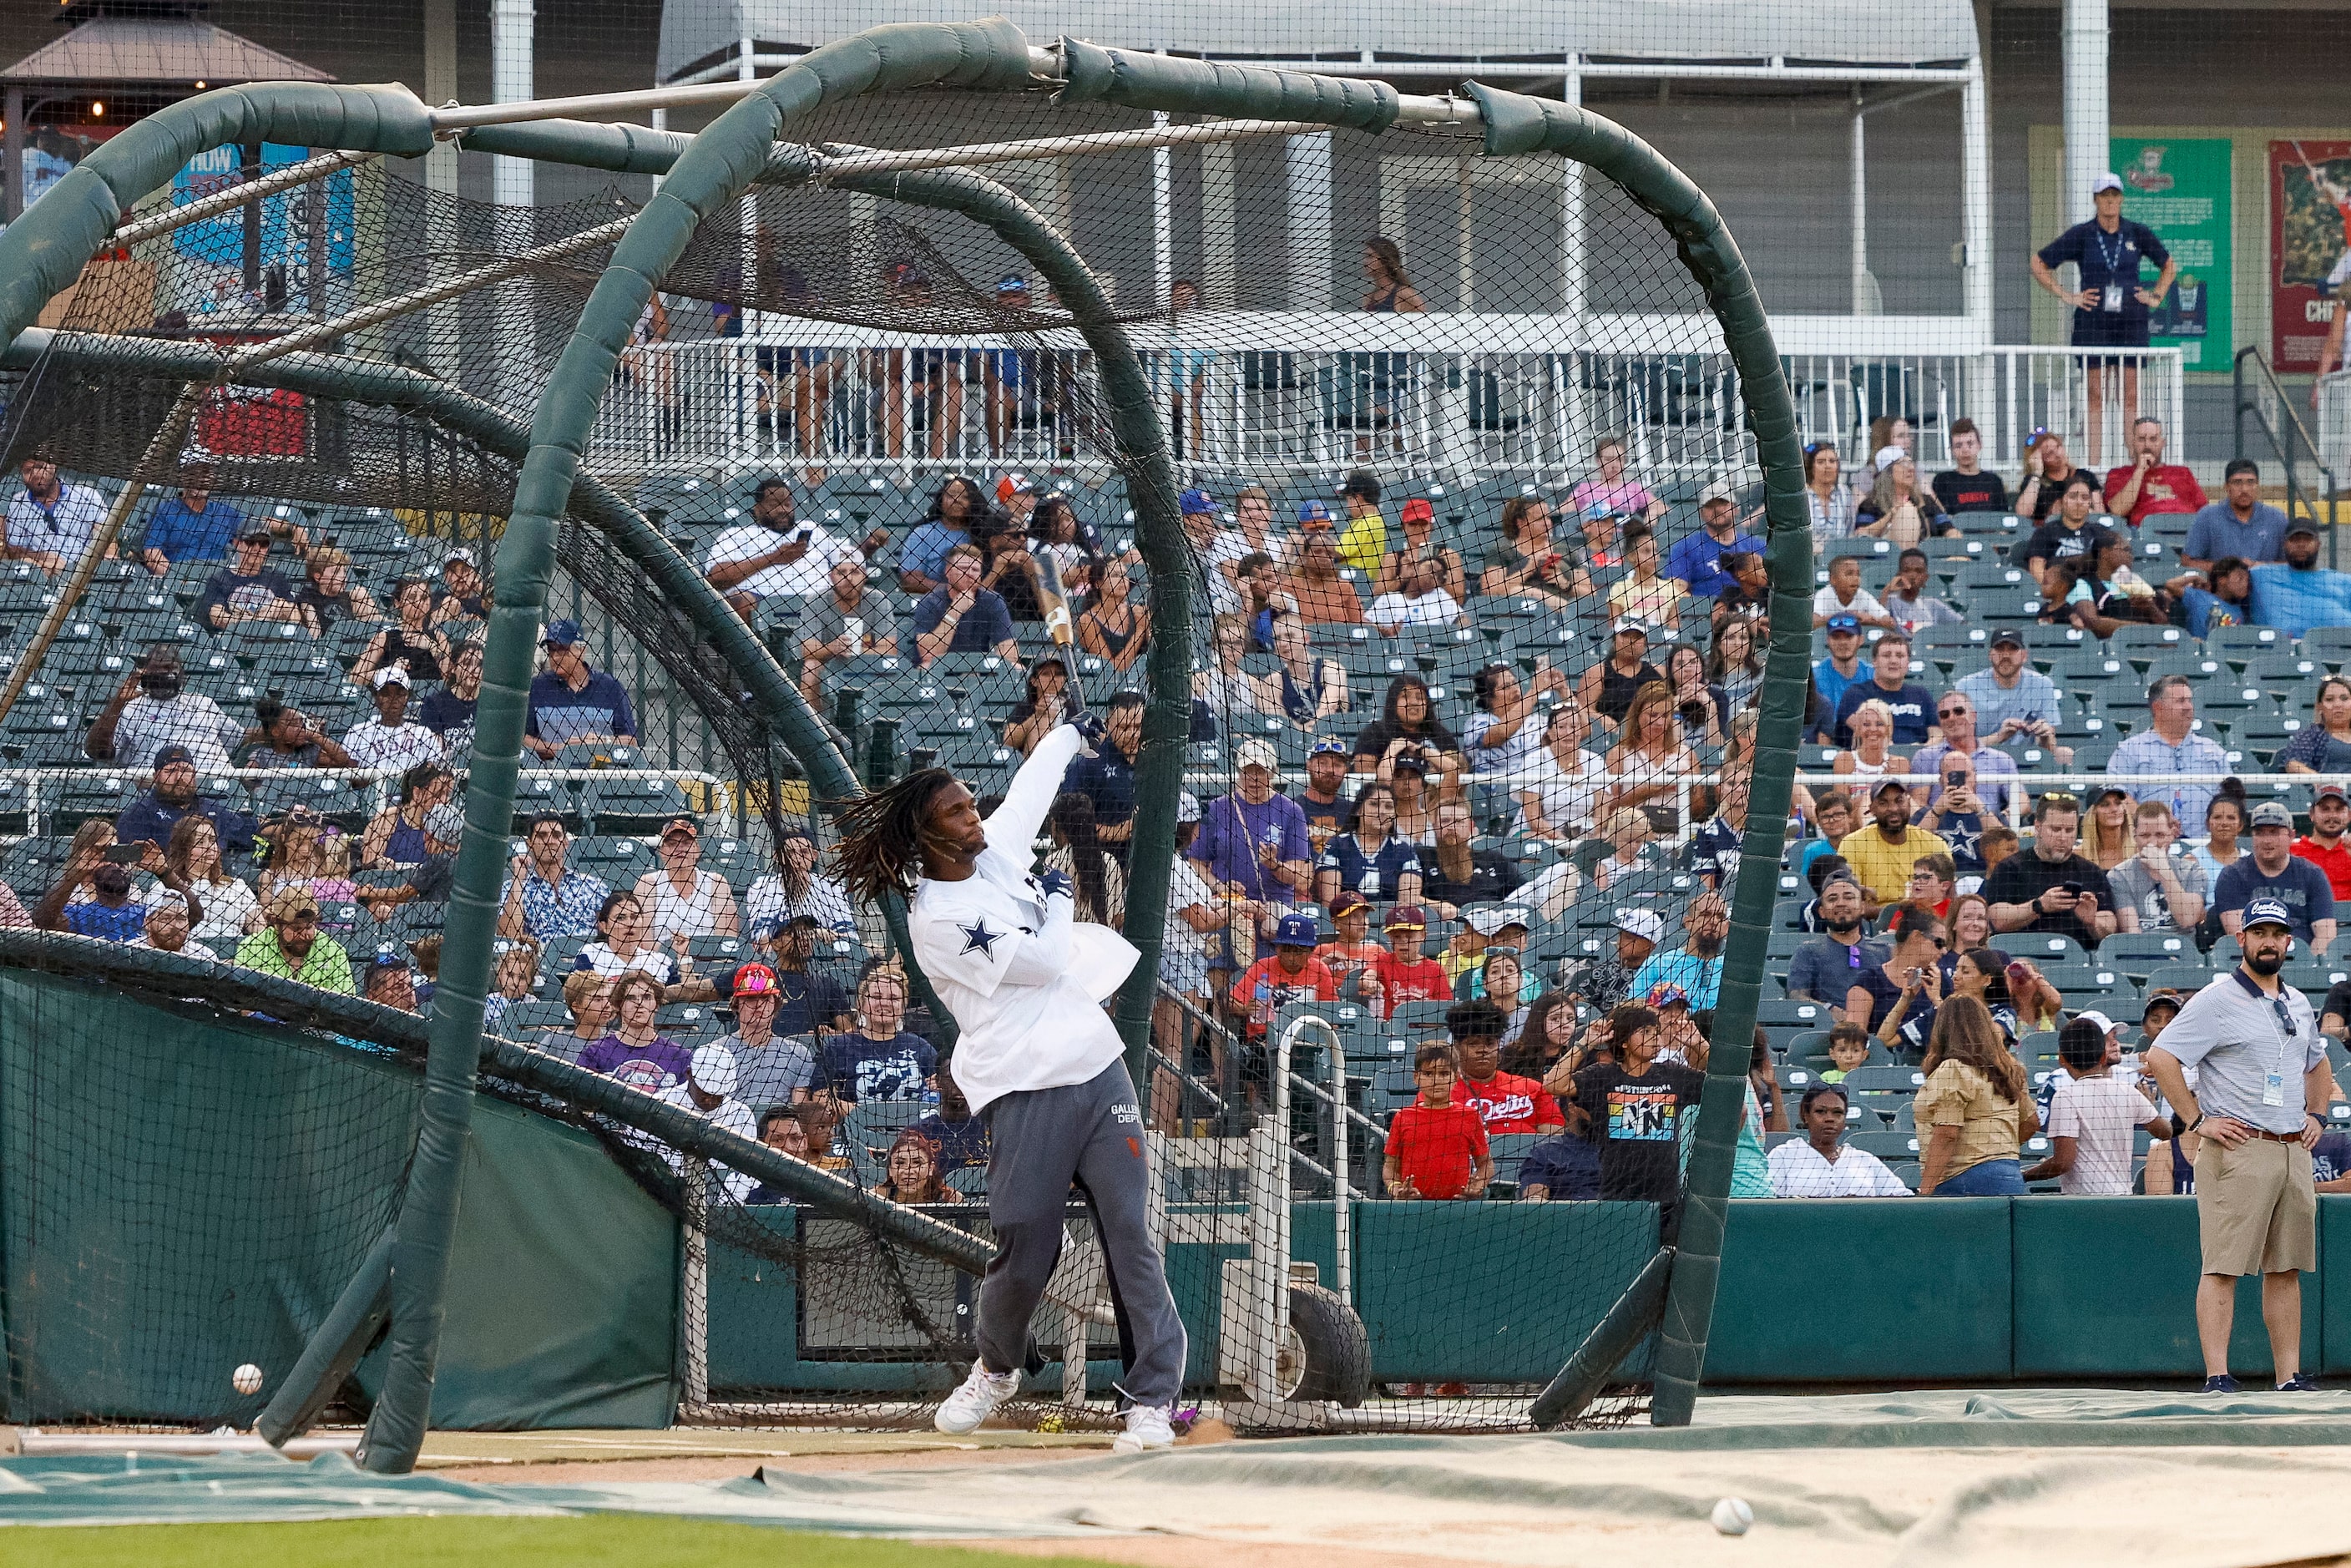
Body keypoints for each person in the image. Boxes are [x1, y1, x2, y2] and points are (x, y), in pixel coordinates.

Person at [833, 716, 1184, 1450]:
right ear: (928, 836)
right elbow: (1048, 960)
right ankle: (996, 1366)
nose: (975, 817)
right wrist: (1056, 898)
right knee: (1027, 1241)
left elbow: (1028, 794)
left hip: (1097, 1067)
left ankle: (1150, 1399)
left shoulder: (991, 856)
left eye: (969, 804)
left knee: (1131, 1232)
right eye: (958, 811)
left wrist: (1067, 735)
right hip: (1024, 1087)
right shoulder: (939, 920)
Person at [2143, 898, 2332, 1393]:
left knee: (2286, 1267)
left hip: (2292, 1148)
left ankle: (2288, 1377)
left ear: (2289, 941)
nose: (2268, 941)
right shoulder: (2216, 998)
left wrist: (2317, 1114)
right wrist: (2198, 1119)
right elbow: (2160, 1056)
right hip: (2239, 1147)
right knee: (2223, 1266)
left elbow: (2317, 1062)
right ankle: (2217, 1375)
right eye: (2259, 932)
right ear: (2241, 940)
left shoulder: (2297, 1001)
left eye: (2277, 933)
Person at [2031, 171, 2176, 463]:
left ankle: (2133, 463)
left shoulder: (2137, 232)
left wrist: (2156, 296)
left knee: (2130, 395)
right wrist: (2067, 295)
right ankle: (2094, 465)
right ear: (2096, 200)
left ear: (2122, 199)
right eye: (2104, 196)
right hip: (2093, 321)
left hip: (2131, 322)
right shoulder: (2083, 234)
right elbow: (2039, 262)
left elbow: (2169, 265)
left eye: (2115, 195)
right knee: (2095, 393)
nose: (2110, 201)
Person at [1570, 1002, 1705, 1234]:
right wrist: (1585, 1043)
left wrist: (1699, 1044)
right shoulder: (1602, 1076)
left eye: (1657, 1032)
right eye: (1645, 1032)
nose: (1656, 1039)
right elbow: (1553, 1083)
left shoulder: (1672, 1074)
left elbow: (1726, 1086)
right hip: (1616, 1197)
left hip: (1666, 1199)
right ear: (1623, 1041)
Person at [2024, 1018, 2171, 1196]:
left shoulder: (2065, 1096)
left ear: (2062, 1059)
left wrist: (2024, 1176)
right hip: (2122, 1199)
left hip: (2084, 1204)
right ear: (2103, 1056)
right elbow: (2166, 1132)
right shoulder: (2128, 1092)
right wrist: (2149, 1109)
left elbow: (2062, 1162)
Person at [704, 478, 882, 620]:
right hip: (758, 599)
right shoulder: (736, 535)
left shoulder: (812, 529)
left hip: (819, 601)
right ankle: (756, 660)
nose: (783, 510)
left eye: (787, 504)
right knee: (738, 602)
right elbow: (715, 578)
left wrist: (869, 547)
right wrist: (774, 558)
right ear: (757, 510)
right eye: (774, 505)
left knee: (865, 598)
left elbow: (847, 560)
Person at [1915, 994, 2039, 1196]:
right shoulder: (2009, 1068)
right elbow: (2032, 1122)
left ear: (1943, 1029)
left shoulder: (1952, 1068)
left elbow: (1947, 1133)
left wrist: (1925, 1192)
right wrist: (1996, 1153)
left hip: (1964, 1181)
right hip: (2009, 1177)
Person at [1985, 792, 2119, 953]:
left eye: (2069, 830)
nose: (2063, 837)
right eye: (2055, 829)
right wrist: (2039, 906)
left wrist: (2091, 921)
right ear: (2038, 827)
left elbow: (2110, 926)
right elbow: (1997, 918)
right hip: (2023, 958)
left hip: (2077, 960)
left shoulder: (2090, 871)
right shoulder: (2010, 867)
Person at [2108, 675, 2233, 834]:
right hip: (2149, 844)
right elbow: (2119, 798)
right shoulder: (2130, 751)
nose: (2189, 707)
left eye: (2189, 700)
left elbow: (2230, 799)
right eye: (2180, 701)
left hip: (2204, 845)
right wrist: (2155, 824)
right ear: (2158, 708)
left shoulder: (2213, 751)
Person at [86, 645, 241, 771]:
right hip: (155, 792)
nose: (164, 674)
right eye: (156, 668)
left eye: (169, 667)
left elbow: (239, 739)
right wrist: (117, 704)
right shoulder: (131, 709)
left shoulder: (203, 703)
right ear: (144, 673)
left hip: (212, 787)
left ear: (182, 674)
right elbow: (96, 751)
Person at [2214, 802, 2338, 957]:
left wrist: (2308, 966)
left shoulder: (2312, 875)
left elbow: (2325, 935)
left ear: (2292, 836)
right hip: (2255, 962)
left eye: (2274, 832)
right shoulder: (2233, 876)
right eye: (2260, 833)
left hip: (2302, 962)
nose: (2267, 840)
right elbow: (2240, 937)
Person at [1384, 1041, 1492, 1201]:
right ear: (1416, 1077)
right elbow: (1389, 1167)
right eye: (1428, 1074)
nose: (1437, 1080)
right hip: (1412, 1207)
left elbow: (1486, 1163)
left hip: (1458, 1206)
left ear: (1456, 1078)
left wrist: (1478, 1185)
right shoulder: (1403, 1117)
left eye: (1444, 1074)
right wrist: (1396, 1188)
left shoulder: (1469, 1116)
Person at [1767, 1083, 1912, 1197]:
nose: (1830, 1118)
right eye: (1820, 1111)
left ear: (1844, 1120)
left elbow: (1903, 1198)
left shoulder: (1864, 1159)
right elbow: (1769, 1205)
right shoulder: (1784, 1155)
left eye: (1838, 1113)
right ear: (1805, 1116)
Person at [1444, 999, 1565, 1135]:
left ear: (1499, 1046)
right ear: (1457, 1048)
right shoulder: (1441, 1093)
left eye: (1490, 1044)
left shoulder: (1531, 1088)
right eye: (1473, 1044)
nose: (1483, 1050)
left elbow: (1554, 1134)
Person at [821, 967, 937, 1103]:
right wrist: (855, 1112)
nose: (885, 1003)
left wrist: (937, 1088)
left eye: (894, 998)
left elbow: (938, 1090)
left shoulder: (921, 1047)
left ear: (903, 1007)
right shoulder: (838, 1047)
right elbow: (821, 1097)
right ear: (860, 1004)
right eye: (876, 997)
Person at [1847, 901, 1947, 1058]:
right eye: (1939, 943)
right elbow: (1853, 1043)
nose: (1944, 951)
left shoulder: (1942, 982)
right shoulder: (1868, 981)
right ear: (1917, 937)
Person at [524, 620, 637, 757]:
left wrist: (602, 742)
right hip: (554, 772)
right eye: (551, 650)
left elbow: (631, 741)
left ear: (581, 650)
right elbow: (521, 738)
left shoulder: (610, 687)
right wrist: (561, 749)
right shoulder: (537, 687)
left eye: (562, 649)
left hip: (603, 771)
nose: (555, 657)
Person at [1840, 779, 1951, 913]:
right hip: (1874, 926)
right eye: (1883, 803)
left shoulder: (1934, 844)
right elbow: (1848, 899)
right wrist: (1889, 914)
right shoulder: (1853, 844)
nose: (1893, 809)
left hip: (1926, 918)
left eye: (1899, 801)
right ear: (1872, 809)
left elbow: (1948, 895)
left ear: (1909, 804)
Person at [796, 554, 897, 701]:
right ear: (831, 576)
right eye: (841, 572)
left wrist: (856, 645)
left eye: (855, 572)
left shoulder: (878, 599)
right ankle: (814, 722)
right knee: (810, 667)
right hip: (830, 665)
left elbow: (889, 647)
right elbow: (807, 649)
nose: (848, 578)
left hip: (870, 665)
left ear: (864, 576)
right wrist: (833, 647)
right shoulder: (815, 601)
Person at [498, 812, 609, 941]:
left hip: (589, 958)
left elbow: (614, 931)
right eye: (542, 836)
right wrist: (517, 879)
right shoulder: (511, 888)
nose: (549, 841)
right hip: (539, 958)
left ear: (566, 843)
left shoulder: (592, 885)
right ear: (529, 844)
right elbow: (508, 936)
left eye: (556, 835)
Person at [718, 962, 816, 1109]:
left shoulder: (798, 1053)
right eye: (750, 998)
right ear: (737, 1004)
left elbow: (798, 1110)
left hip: (782, 1128)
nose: (759, 1005)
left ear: (775, 1004)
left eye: (765, 998)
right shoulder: (717, 1052)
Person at [577, 971, 694, 1093]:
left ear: (657, 1004)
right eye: (630, 998)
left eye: (646, 997)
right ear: (618, 1005)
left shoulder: (681, 1057)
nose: (639, 1003)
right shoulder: (595, 1053)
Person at [1787, 876, 1888, 1013]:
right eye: (1832, 899)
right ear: (1822, 912)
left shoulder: (1884, 951)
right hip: (1828, 1030)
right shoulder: (1808, 952)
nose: (1841, 903)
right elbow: (1796, 996)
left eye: (1849, 897)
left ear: (1863, 907)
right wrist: (1830, 1010)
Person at [1061, 691, 1144, 856]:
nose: (1133, 734)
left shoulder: (1161, 761)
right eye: (1124, 727)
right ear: (1108, 725)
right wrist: (1114, 832)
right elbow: (1066, 824)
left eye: (1138, 726)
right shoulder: (1089, 764)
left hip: (1146, 858)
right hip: (1099, 859)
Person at [2109, 800, 2209, 935]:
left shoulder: (2193, 871)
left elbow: (2187, 919)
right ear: (2135, 836)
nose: (2153, 843)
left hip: (2183, 952)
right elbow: (2132, 933)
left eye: (2160, 835)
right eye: (2145, 836)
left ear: (2171, 835)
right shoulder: (2118, 875)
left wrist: (2164, 871)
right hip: (2140, 954)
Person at [230, 884, 353, 991]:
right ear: (277, 925)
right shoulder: (252, 948)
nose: (304, 935)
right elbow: (243, 1005)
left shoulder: (333, 951)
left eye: (309, 927)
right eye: (296, 929)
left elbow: (344, 1005)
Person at [745, 827, 857, 942]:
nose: (798, 859)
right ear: (777, 857)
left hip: (828, 956)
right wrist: (813, 935)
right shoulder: (762, 889)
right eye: (790, 853)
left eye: (804, 852)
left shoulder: (833, 888)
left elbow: (849, 936)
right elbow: (761, 940)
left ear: (814, 855)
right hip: (778, 957)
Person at [4, 450, 108, 572]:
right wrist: (42, 558)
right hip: (43, 574)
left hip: (85, 571)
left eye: (40, 467)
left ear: (53, 466)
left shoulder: (87, 495)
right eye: (28, 471)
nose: (35, 474)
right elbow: (16, 550)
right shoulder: (18, 502)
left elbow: (107, 539)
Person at [2182, 459, 2288, 572]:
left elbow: (2291, 564)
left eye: (2251, 482)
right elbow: (2187, 562)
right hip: (2220, 588)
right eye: (2237, 482)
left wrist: (2260, 567)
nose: (2244, 489)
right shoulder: (2207, 516)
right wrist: (2228, 570)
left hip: (2265, 587)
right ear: (2226, 487)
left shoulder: (2277, 518)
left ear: (2257, 485)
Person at [1661, 481, 1763, 599]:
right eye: (1710, 506)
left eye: (1722, 504)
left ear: (1736, 509)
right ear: (1701, 513)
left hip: (1752, 611)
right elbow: (1676, 591)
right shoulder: (1685, 548)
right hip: (1702, 613)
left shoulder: (1758, 547)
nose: (1717, 510)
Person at [2250, 520, 2351, 638]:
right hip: (2279, 652)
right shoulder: (2261, 576)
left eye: (2307, 539)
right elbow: (2226, 577)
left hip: (2337, 651)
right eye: (2295, 540)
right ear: (2284, 544)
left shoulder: (2344, 582)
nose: (2301, 545)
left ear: (2318, 544)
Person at [1479, 493, 1585, 604]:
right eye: (1540, 519)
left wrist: (1565, 584)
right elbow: (1491, 592)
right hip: (1520, 612)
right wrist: (1528, 570)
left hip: (1564, 614)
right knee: (1518, 590)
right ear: (1520, 523)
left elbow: (1591, 593)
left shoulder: (1564, 549)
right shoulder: (1503, 550)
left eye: (1548, 517)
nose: (1547, 523)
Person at [1629, 892, 1727, 1012]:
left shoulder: (1733, 970)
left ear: (1726, 927)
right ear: (1688, 923)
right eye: (1705, 914)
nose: (1714, 921)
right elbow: (1634, 1011)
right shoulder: (1657, 964)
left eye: (1720, 917)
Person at [1418, 797, 1519, 914]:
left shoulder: (1493, 859)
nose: (1451, 827)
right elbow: (1402, 894)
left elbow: (1525, 893)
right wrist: (1435, 906)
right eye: (1445, 821)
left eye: (1458, 821)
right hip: (1439, 927)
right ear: (1434, 826)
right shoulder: (1422, 857)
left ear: (1470, 826)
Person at [1830, 633, 1931, 749]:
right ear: (1875, 661)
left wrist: (1923, 749)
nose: (1893, 661)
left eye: (1900, 656)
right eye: (1886, 655)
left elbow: (1937, 733)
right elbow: (1865, 730)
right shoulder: (1856, 694)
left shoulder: (1921, 695)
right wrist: (1897, 750)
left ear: (1908, 663)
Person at [2103, 416, 2207, 528]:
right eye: (2141, 439)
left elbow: (2204, 512)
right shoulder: (2119, 474)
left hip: (2186, 533)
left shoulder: (2182, 473)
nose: (2147, 445)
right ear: (2133, 443)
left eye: (2153, 439)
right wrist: (2140, 471)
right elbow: (2118, 510)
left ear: (2163, 443)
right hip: (2146, 537)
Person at [896, 473, 989, 596]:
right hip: (933, 602)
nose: (957, 500)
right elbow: (910, 579)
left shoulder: (984, 533)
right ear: (941, 500)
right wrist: (951, 590)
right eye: (951, 496)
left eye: (965, 497)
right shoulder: (923, 533)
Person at [347, 577, 449, 687]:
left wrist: (433, 647)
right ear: (397, 603)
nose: (418, 602)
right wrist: (389, 672)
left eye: (424, 598)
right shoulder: (384, 638)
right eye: (412, 597)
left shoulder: (439, 637)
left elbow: (451, 679)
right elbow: (355, 677)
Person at [761, 915, 853, 1035]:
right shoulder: (761, 979)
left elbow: (849, 1033)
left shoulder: (827, 984)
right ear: (776, 944)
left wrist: (831, 1035)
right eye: (794, 934)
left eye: (808, 933)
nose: (804, 938)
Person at [136, 467, 243, 571]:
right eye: (194, 474)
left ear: (212, 478)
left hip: (221, 578)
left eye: (205, 474)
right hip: (177, 578)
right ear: (183, 477)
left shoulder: (224, 512)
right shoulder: (164, 511)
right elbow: (152, 552)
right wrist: (172, 577)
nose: (200, 480)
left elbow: (248, 542)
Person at [341, 667, 443, 774]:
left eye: (400, 693)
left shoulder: (423, 733)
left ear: (407, 697)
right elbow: (350, 778)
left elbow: (437, 771)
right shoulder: (358, 732)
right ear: (376, 696)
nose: (393, 699)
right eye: (386, 693)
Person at [1560, 909, 1660, 1017]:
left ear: (1649, 945)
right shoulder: (1605, 972)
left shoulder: (1662, 975)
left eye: (1628, 938)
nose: (1619, 942)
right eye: (1620, 935)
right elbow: (1576, 1000)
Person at [1045, 792, 1125, 928]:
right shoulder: (1110, 861)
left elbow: (1049, 915)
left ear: (1058, 825)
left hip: (1072, 944)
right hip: (1103, 943)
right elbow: (1119, 918)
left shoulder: (1054, 861)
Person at [1360, 905, 1452, 1019]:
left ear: (1423, 935)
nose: (1403, 941)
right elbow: (1367, 976)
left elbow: (1444, 1010)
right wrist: (1369, 982)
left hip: (1425, 1030)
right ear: (1389, 937)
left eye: (1409, 936)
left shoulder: (1434, 969)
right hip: (1390, 1030)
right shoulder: (1382, 960)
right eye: (1397, 937)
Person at [1577, 625, 1666, 737]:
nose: (1630, 642)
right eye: (1625, 636)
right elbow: (1584, 711)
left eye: (1636, 638)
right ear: (1614, 640)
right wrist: (1600, 718)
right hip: (1609, 736)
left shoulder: (1660, 672)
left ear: (1645, 643)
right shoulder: (1597, 673)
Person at [1853, 449, 1949, 546]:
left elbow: (1950, 530)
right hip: (1887, 557)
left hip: (1927, 556)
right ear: (1888, 473)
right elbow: (1862, 536)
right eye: (1903, 464)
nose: (1911, 468)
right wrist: (1890, 516)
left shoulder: (1927, 501)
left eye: (1911, 463)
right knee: (1907, 512)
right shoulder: (1870, 505)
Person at [1075, 555, 1150, 673]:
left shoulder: (1138, 612)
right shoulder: (1087, 621)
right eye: (1115, 575)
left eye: (1125, 575)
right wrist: (1139, 632)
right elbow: (1110, 671)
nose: (1123, 580)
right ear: (1098, 583)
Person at [1570, 435, 1666, 525]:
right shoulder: (1585, 489)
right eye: (1608, 459)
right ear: (1598, 461)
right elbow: (1565, 509)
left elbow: (1663, 507)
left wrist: (1652, 511)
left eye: (1619, 460)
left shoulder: (1634, 489)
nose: (1614, 465)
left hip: (1627, 537)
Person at [1363, 550, 1465, 635]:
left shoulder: (1439, 595)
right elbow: (1365, 622)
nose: (1432, 576)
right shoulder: (1390, 599)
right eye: (1430, 569)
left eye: (1438, 576)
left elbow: (1463, 620)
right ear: (1415, 568)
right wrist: (1383, 630)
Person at [1608, 524, 1684, 634]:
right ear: (1631, 556)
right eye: (1646, 551)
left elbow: (1675, 623)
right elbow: (1614, 626)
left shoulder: (1669, 588)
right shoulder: (1619, 589)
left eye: (1655, 551)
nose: (1654, 556)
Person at [293, 545, 380, 634]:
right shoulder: (307, 602)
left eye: (344, 572)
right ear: (318, 577)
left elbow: (376, 627)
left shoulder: (355, 598)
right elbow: (315, 636)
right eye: (336, 572)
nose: (343, 576)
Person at [1931, 418, 2009, 517]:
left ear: (1980, 445)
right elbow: (1941, 518)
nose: (1965, 450)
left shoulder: (1993, 481)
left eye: (1970, 444)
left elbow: (2003, 518)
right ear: (1952, 450)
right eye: (1958, 446)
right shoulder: (1943, 481)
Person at [414, 640, 481, 749]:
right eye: (467, 663)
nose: (474, 669)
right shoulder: (434, 702)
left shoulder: (491, 702)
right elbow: (435, 751)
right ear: (454, 667)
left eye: (479, 664)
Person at [1880, 549, 1963, 637]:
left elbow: (1963, 625)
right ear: (1899, 575)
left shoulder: (1933, 604)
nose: (1912, 575)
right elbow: (1878, 623)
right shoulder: (1890, 602)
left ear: (1925, 578)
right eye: (1907, 570)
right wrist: (1887, 590)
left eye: (1918, 571)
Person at [2282, 677, 2351, 776]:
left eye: (2344, 698)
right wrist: (2317, 780)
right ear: (2320, 707)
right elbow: (2292, 764)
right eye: (2329, 699)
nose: (2338, 704)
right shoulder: (2313, 735)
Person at [2293, 785, 2351, 905]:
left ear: (2349, 815)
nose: (2332, 816)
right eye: (2325, 809)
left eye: (2339, 809)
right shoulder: (2292, 852)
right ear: (2311, 815)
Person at [1333, 468, 1389, 574]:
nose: (1348, 506)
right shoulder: (1374, 520)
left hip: (1357, 581)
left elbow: (1338, 554)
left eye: (1349, 499)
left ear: (1358, 498)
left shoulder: (1367, 523)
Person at [1802, 441, 1858, 542]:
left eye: (1832, 461)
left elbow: (1850, 530)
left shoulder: (1844, 493)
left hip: (1839, 553)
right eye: (1820, 462)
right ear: (1810, 467)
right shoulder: (1802, 495)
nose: (1827, 466)